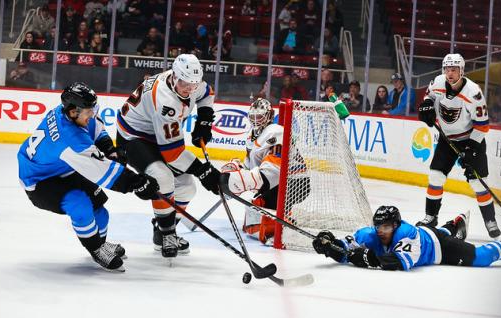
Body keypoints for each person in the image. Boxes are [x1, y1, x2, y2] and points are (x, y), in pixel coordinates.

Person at [17, 83, 159, 272]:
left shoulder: (70, 113)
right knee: (80, 204)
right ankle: (96, 249)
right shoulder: (70, 139)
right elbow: (102, 171)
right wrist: (136, 183)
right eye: (88, 111)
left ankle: (100, 243)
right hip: (39, 180)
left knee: (101, 212)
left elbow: (96, 128)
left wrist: (109, 149)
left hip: (62, 168)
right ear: (74, 111)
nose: (92, 114)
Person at [115, 54, 221, 259]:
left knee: (187, 187)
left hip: (157, 135)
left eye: (193, 85)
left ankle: (161, 229)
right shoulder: (166, 100)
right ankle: (167, 234)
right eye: (185, 85)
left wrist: (205, 118)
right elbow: (173, 155)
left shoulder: (189, 81)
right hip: (133, 137)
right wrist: (204, 171)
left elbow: (207, 93)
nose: (189, 90)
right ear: (174, 76)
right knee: (162, 177)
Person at [416, 53, 500, 238]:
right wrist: (427, 106)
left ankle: (490, 220)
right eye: (447, 69)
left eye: (454, 69)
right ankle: (431, 216)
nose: (450, 73)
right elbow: (428, 97)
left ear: (462, 70)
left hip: (472, 139)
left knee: (477, 182)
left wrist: (470, 149)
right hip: (447, 140)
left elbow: (482, 125)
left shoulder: (473, 92)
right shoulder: (437, 82)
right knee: (435, 176)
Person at [313, 205, 501, 271]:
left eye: (386, 226)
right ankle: (454, 224)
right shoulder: (368, 234)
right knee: (439, 231)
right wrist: (330, 245)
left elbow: (395, 263)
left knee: (481, 257)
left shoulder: (406, 233)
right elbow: (347, 247)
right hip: (427, 235)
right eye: (378, 227)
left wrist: (361, 257)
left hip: (437, 248)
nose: (380, 231)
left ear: (396, 225)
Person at [221, 98, 309, 244]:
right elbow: (250, 165)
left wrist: (241, 182)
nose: (256, 121)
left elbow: (273, 170)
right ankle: (281, 217)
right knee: (259, 203)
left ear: (269, 116)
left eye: (260, 116)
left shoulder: (275, 131)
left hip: (296, 182)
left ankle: (280, 224)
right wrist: (236, 168)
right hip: (275, 180)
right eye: (253, 117)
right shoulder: (251, 136)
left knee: (266, 200)